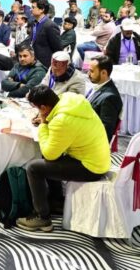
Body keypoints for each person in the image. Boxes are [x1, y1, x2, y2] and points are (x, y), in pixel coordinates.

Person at [16, 86, 110, 232]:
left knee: (33, 168)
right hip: (98, 158)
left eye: (37, 108)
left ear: (43, 108)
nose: (37, 112)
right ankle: (56, 201)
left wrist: (43, 123)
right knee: (52, 154)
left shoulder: (62, 120)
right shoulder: (69, 99)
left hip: (91, 168)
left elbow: (49, 154)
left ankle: (42, 218)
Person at [85, 55, 123, 140]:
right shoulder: (99, 86)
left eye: (91, 71)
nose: (88, 74)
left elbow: (105, 132)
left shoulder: (110, 98)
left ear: (104, 73)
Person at [30, 0, 61, 68]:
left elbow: (58, 49)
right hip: (34, 62)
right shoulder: (34, 23)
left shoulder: (50, 25)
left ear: (42, 9)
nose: (31, 9)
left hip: (44, 65)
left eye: (33, 7)